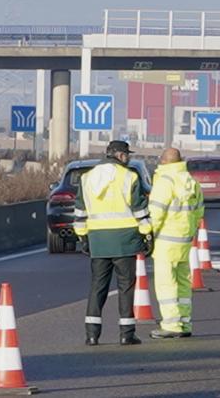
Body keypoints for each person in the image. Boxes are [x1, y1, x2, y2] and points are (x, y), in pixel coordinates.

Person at [74, 140, 151, 346]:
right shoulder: (129, 177)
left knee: (97, 286)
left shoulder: (87, 178)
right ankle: (126, 334)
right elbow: (140, 211)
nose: (129, 159)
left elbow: (80, 211)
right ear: (120, 155)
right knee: (126, 287)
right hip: (125, 240)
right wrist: (147, 234)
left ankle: (92, 334)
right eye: (127, 155)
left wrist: (82, 236)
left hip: (98, 240)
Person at [147, 147, 204, 340]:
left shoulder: (164, 181)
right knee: (182, 283)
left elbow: (157, 212)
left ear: (163, 161)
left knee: (166, 284)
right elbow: (198, 212)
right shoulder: (191, 181)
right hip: (184, 240)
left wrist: (147, 233)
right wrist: (190, 231)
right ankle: (185, 321)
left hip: (165, 241)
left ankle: (171, 325)